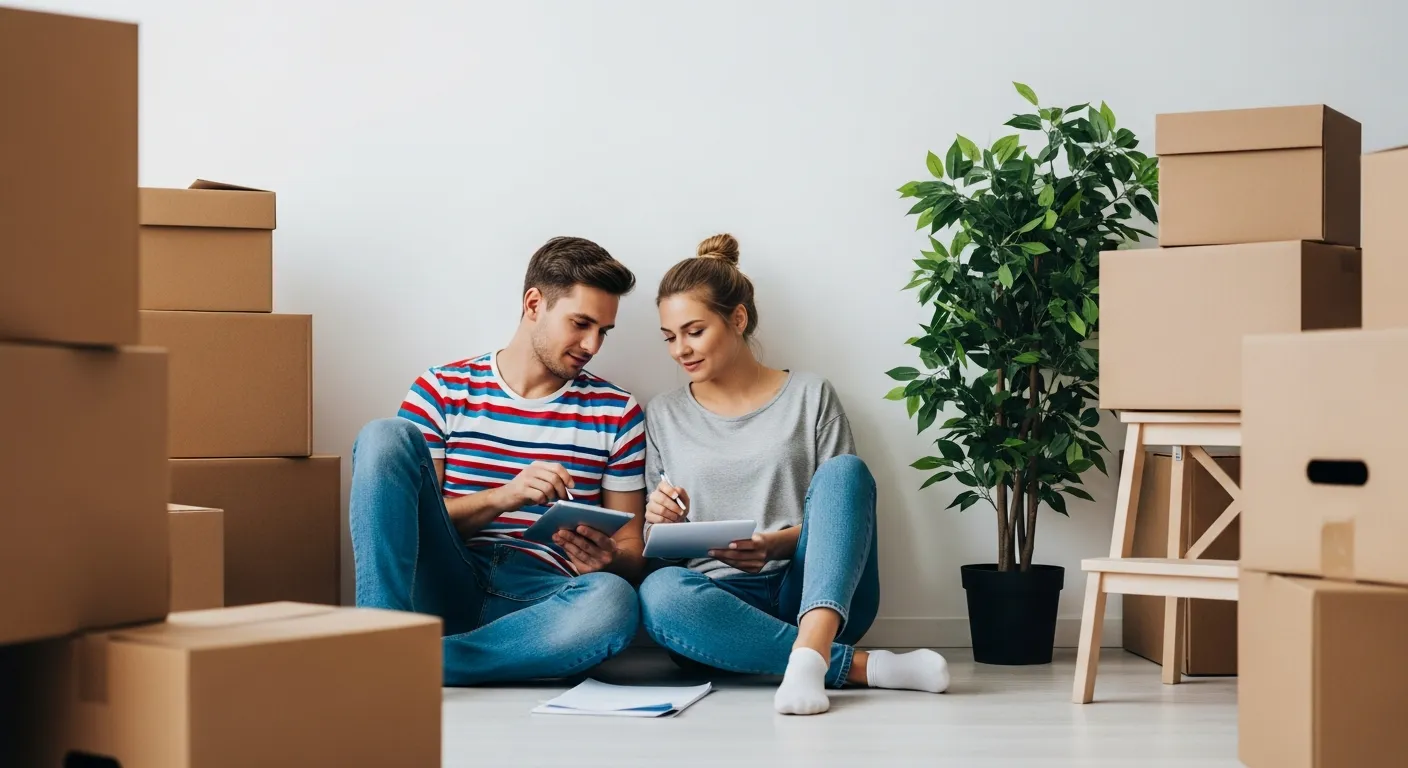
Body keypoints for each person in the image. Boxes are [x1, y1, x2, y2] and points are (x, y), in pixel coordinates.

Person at [637, 234, 950, 715]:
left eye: (693, 331)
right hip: (717, 605)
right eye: (669, 337)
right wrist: (662, 524)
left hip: (811, 593)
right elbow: (656, 550)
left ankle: (812, 649)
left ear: (737, 318)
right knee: (659, 595)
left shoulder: (811, 395)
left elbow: (843, 518)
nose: (680, 349)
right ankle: (860, 668)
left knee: (846, 472)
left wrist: (772, 545)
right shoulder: (664, 414)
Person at [350, 236, 648, 685]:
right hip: (446, 576)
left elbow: (632, 552)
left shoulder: (617, 412)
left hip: (538, 600)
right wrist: (505, 497)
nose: (592, 344)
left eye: (603, 331)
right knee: (384, 435)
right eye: (581, 323)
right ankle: (383, 635)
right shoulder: (442, 390)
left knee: (612, 602)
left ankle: (409, 662)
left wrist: (608, 559)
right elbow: (409, 524)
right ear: (534, 304)